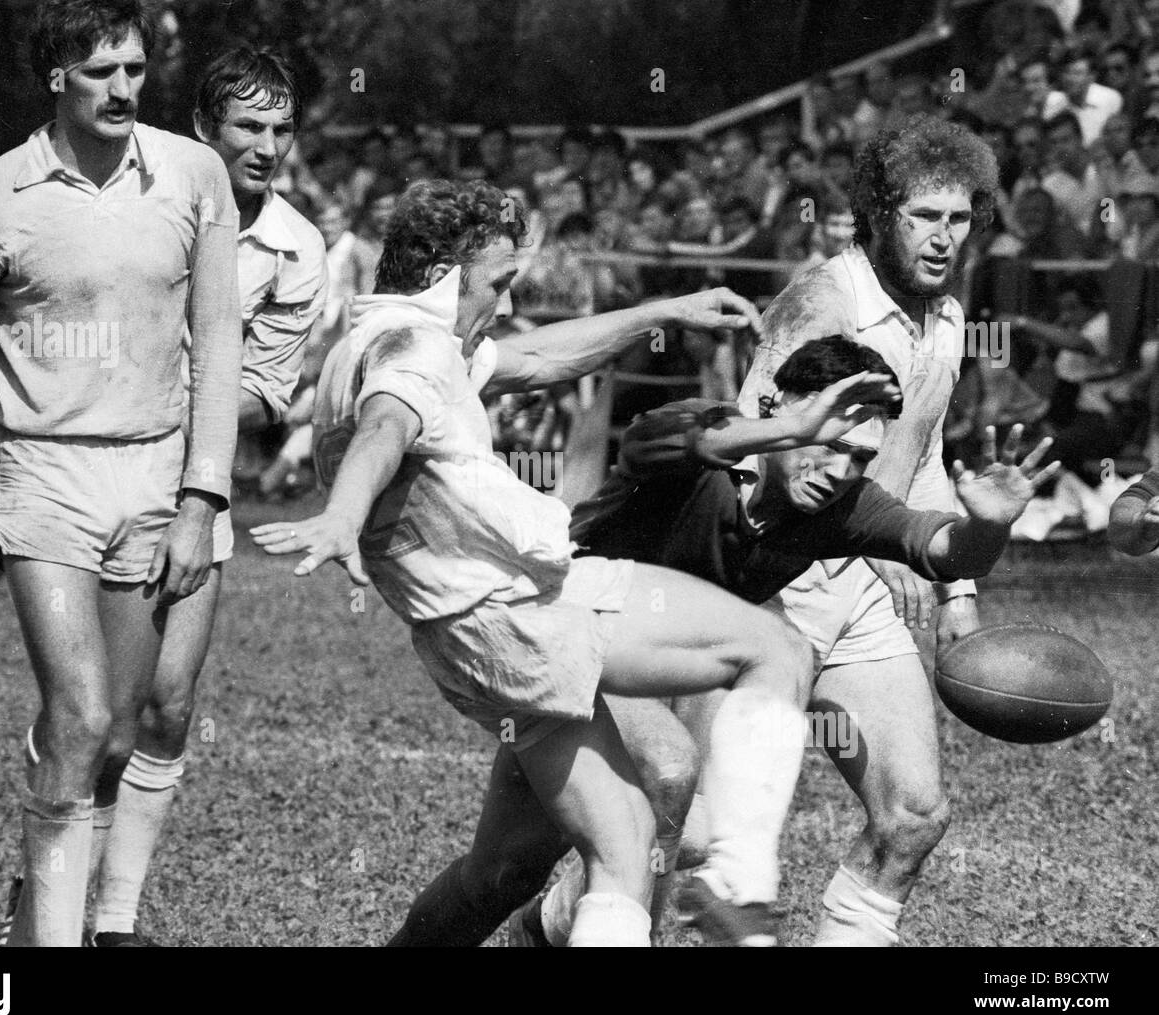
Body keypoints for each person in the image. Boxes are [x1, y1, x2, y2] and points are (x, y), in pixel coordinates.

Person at [252, 178, 898, 947]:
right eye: (498, 283)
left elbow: (534, 357)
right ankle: (736, 888)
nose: (507, 301)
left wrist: (663, 311)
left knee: (614, 851)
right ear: (442, 279)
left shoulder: (379, 339)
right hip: (524, 610)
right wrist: (342, 515)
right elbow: (388, 423)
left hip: (470, 632)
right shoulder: (413, 351)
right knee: (776, 649)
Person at [0, 0, 243, 947]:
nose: (122, 88)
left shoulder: (194, 175)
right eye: (99, 72)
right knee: (77, 714)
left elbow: (222, 340)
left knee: (115, 735)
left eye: (133, 69)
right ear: (55, 79)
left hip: (156, 474)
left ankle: (36, 923)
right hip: (45, 477)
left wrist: (204, 495)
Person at [502, 337, 1057, 947]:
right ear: (778, 407)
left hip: (673, 656)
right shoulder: (708, 438)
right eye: (828, 441)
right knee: (666, 779)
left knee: (492, 880)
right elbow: (655, 441)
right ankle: (611, 912)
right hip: (563, 631)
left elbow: (944, 549)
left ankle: (559, 924)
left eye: (860, 457)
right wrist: (790, 429)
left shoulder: (843, 504)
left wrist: (988, 527)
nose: (841, 470)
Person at [729, 115, 1003, 947]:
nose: (942, 237)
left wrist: (957, 586)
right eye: (923, 216)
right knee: (682, 829)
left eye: (959, 218)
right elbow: (760, 454)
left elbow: (921, 452)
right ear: (879, 213)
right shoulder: (821, 301)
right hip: (764, 589)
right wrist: (864, 533)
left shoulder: (949, 315)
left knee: (913, 814)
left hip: (862, 594)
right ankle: (555, 928)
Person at [85, 45, 326, 946]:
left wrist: (193, 393)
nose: (268, 146)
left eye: (282, 128)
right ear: (202, 128)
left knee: (171, 704)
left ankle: (115, 919)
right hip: (99, 464)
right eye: (248, 127)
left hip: (200, 477)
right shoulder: (134, 195)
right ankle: (41, 904)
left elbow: (266, 392)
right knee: (97, 717)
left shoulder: (296, 248)